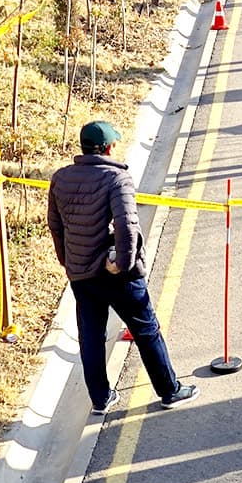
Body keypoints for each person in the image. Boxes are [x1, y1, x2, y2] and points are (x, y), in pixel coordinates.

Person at [47, 121, 199, 415]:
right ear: (108, 148)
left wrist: (68, 260)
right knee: (146, 329)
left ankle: (101, 399)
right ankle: (170, 390)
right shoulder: (117, 178)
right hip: (114, 272)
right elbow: (127, 227)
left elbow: (55, 225)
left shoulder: (60, 178)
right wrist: (123, 264)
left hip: (81, 274)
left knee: (91, 335)